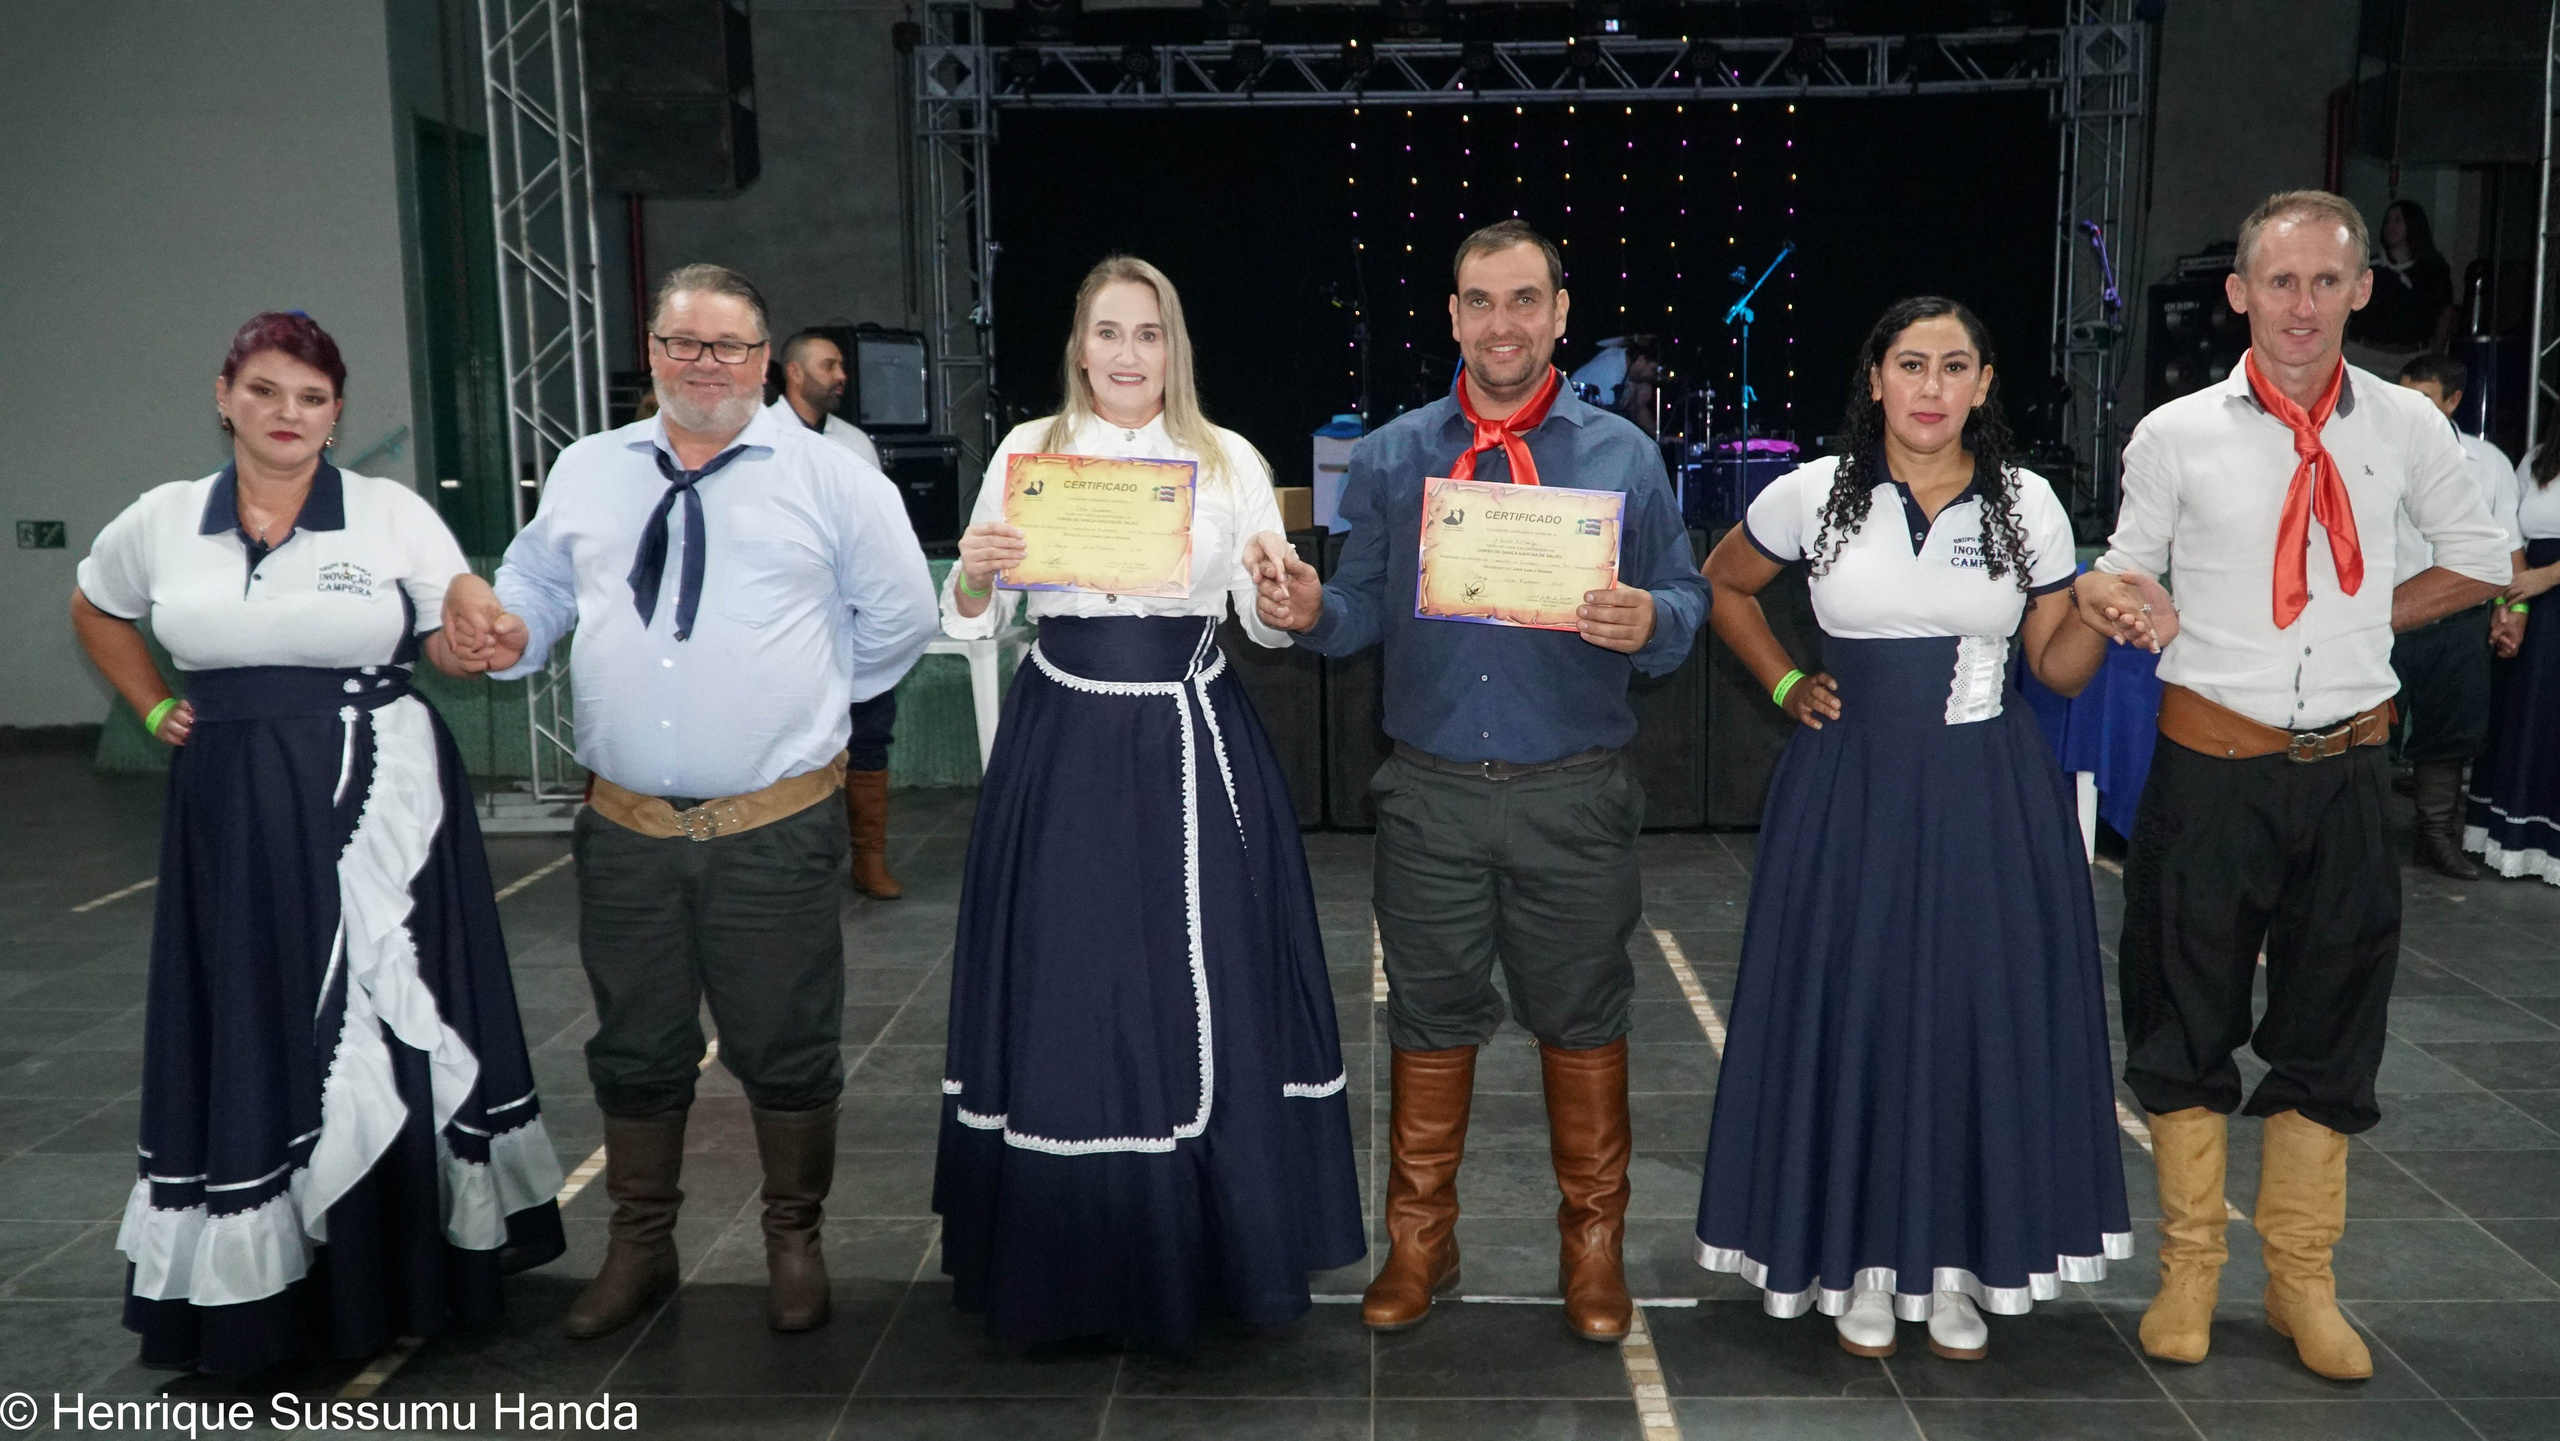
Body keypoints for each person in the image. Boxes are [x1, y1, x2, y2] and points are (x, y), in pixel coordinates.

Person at [447, 263, 938, 1339]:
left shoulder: (834, 480)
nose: (703, 364)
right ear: (655, 353)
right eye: (681, 343)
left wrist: (808, 701)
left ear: (764, 360)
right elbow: (535, 587)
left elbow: (899, 619)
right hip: (623, 832)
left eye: (726, 346)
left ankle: (793, 1240)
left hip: (773, 829)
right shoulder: (587, 469)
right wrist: (509, 629)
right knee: (634, 1046)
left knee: (787, 1044)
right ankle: (639, 1248)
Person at [71, 311, 565, 1373]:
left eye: (309, 396)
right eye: (264, 391)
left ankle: (398, 1270)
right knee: (254, 1007)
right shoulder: (161, 519)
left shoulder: (390, 514)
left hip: (380, 791)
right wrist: (153, 709)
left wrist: (482, 629)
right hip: (232, 805)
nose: (286, 414)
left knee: (384, 1016)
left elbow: (450, 616)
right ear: (224, 395)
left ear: (337, 412)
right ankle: (270, 1281)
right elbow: (97, 608)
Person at [1256, 220, 1712, 1344]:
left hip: (1574, 791)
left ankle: (1591, 1249)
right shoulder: (1394, 454)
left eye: (1522, 300)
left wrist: (1653, 618)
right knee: (1427, 1016)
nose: (1499, 323)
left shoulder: (1621, 456)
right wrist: (1315, 614)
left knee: (1584, 1018)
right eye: (1477, 301)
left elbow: (1687, 603)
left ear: (1560, 313)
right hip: (1432, 794)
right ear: (1452, 315)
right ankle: (1423, 1243)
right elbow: (1358, 608)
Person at [2087, 191, 2509, 1381]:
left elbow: (2480, 561)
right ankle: (2188, 1272)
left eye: (2327, 282)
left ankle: (2300, 1284)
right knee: (2180, 1010)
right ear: (2239, 295)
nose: (2302, 305)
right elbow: (2123, 565)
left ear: (2362, 290)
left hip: (2347, 769)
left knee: (2334, 1023)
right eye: (2279, 282)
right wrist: (2117, 599)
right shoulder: (2174, 432)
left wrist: (2368, 609)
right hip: (2208, 767)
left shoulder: (2405, 428)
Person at [1690, 297, 2139, 1362]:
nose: (1930, 386)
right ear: (1877, 378)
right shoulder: (1810, 492)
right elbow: (1723, 587)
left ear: (1984, 384)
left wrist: (2098, 619)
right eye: (1909, 364)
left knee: (1969, 1016)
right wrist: (1787, 678)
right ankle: (1855, 1261)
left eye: (1952, 366)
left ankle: (1953, 1269)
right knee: (1856, 1007)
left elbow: (2054, 669)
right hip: (1848, 793)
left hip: (1989, 795)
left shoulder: (2025, 501)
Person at [932, 255, 1363, 1353]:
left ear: (1175, 349)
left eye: (1150, 334)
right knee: (1069, 987)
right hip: (1063, 741)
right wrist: (977, 573)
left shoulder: (1229, 461)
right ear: (1079, 345)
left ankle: (1216, 1245)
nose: (1129, 354)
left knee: (1206, 986)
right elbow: (974, 616)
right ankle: (1069, 1262)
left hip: (1192, 734)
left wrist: (1283, 598)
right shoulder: (1029, 451)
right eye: (1109, 332)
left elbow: (1264, 622)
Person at [769, 329, 903, 899]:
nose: (842, 375)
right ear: (795, 373)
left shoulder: (854, 443)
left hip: (854, 618)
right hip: (789, 624)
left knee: (869, 735)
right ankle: (791, 870)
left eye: (842, 365)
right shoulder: (759, 437)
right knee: (791, 742)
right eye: (830, 365)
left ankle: (868, 858)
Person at [2390, 353, 2524, 878]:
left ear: (2454, 400)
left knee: (2450, 735)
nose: (2409, 409)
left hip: (2459, 620)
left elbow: (2507, 546)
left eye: (2422, 398)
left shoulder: (2487, 463)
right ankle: (2364, 847)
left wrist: (2515, 611)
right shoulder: (2376, 454)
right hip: (2388, 617)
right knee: (2373, 733)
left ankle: (2435, 838)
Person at [2465, 436, 2560, 882]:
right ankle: (2517, 837)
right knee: (2525, 715)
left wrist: (2548, 577)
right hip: (2531, 600)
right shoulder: (2539, 458)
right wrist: (2512, 601)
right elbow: (2511, 534)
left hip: (2548, 586)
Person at [2345, 199, 2454, 375]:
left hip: (2411, 358)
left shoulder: (2432, 269)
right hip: (2365, 356)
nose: (2390, 226)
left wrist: (2436, 354)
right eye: (2388, 221)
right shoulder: (2370, 267)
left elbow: (2444, 314)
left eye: (2397, 221)